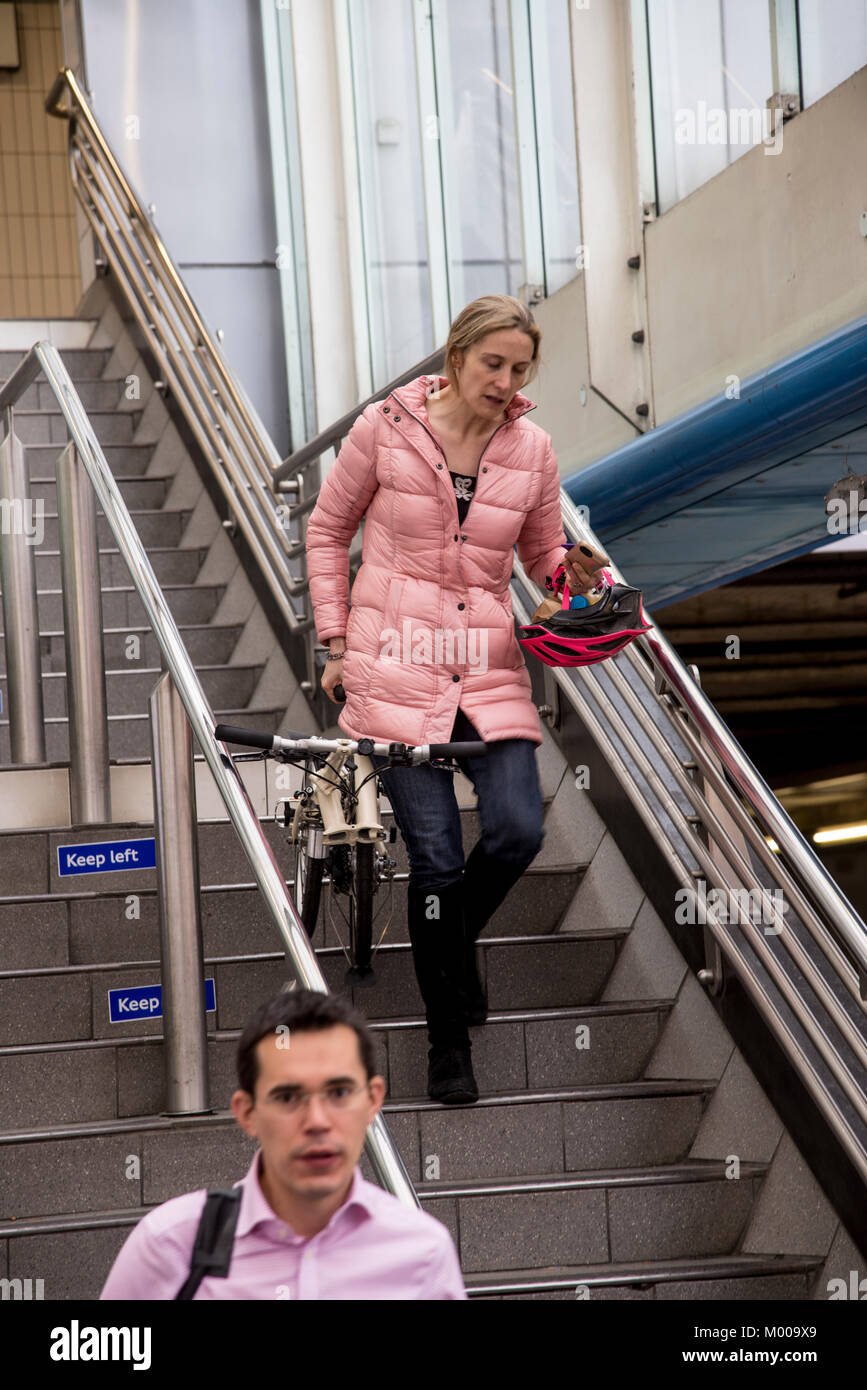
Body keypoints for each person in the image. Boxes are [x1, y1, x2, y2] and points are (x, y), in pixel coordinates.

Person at [305, 295, 606, 1106]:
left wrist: (571, 578)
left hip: (487, 662)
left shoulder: (531, 447)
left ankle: (448, 939)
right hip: (393, 666)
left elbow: (544, 553)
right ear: (458, 354)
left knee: (515, 829)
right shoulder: (386, 427)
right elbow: (328, 530)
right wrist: (335, 643)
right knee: (435, 859)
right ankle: (447, 1041)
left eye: (519, 370)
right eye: (492, 365)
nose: (506, 383)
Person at [100, 990, 466, 1300]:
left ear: (373, 1100)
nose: (317, 1121)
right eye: (288, 1097)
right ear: (247, 1113)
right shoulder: (170, 1246)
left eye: (339, 1092)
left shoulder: (422, 1252)